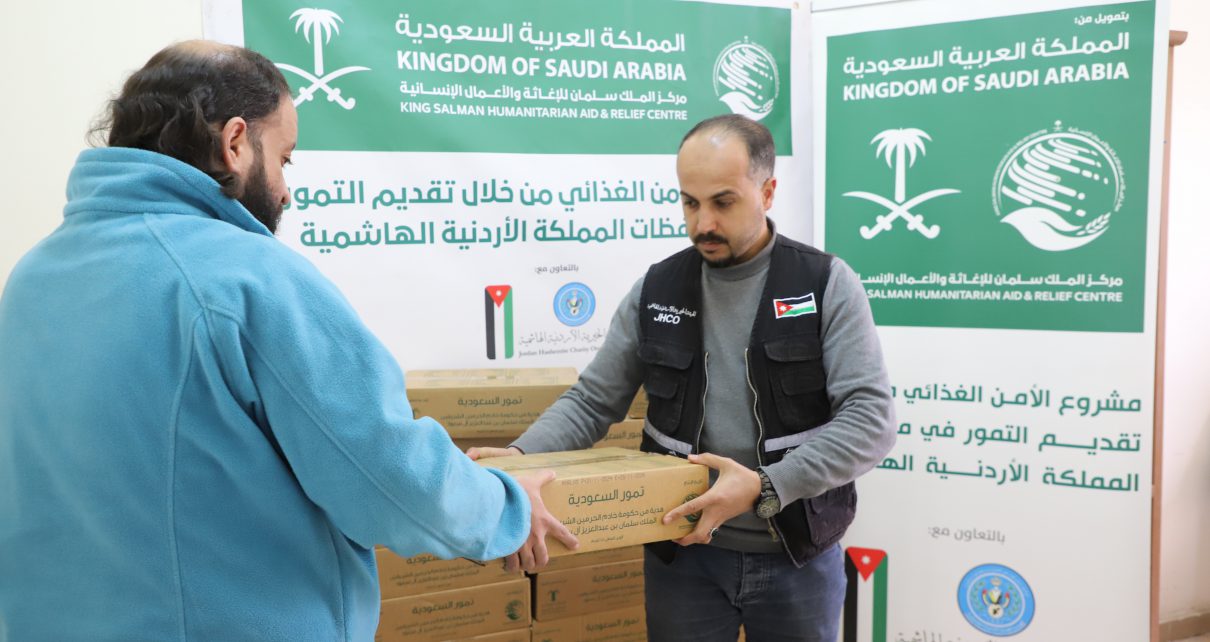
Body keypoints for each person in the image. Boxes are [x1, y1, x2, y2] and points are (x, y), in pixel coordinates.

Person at [0, 41, 574, 642]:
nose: (285, 190)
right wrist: (505, 506)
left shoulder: (34, 276)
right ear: (235, 143)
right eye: (284, 158)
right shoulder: (246, 277)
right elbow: (385, 476)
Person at [470, 115, 895, 641]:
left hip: (796, 555)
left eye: (723, 202)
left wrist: (765, 486)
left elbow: (871, 421)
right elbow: (593, 401)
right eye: (689, 203)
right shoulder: (658, 289)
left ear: (767, 192)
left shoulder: (824, 283)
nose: (703, 223)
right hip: (685, 556)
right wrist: (519, 457)